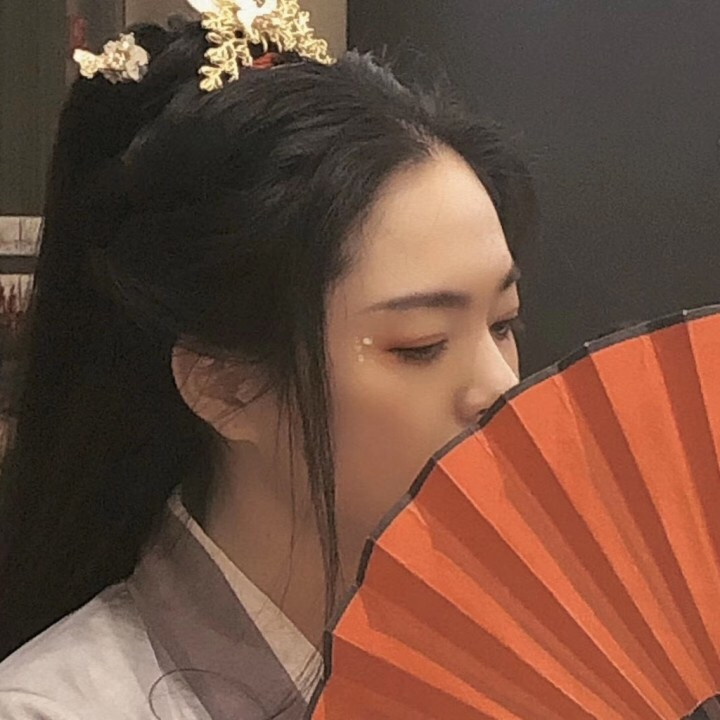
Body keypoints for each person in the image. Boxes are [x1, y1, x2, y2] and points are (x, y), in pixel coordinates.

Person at [0, 4, 536, 718]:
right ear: (225, 385)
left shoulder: (517, 661)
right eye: (420, 345)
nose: (502, 388)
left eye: (504, 324)